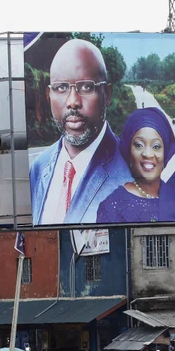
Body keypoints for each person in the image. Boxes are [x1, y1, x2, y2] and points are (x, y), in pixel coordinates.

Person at [30, 39, 132, 225]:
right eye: (61, 88)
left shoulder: (131, 174)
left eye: (86, 87)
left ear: (107, 94)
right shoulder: (38, 168)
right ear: (48, 95)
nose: (73, 102)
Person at [97, 107, 175, 223]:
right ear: (129, 152)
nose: (148, 154)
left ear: (166, 153)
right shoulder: (112, 207)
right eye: (139, 145)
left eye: (156, 146)